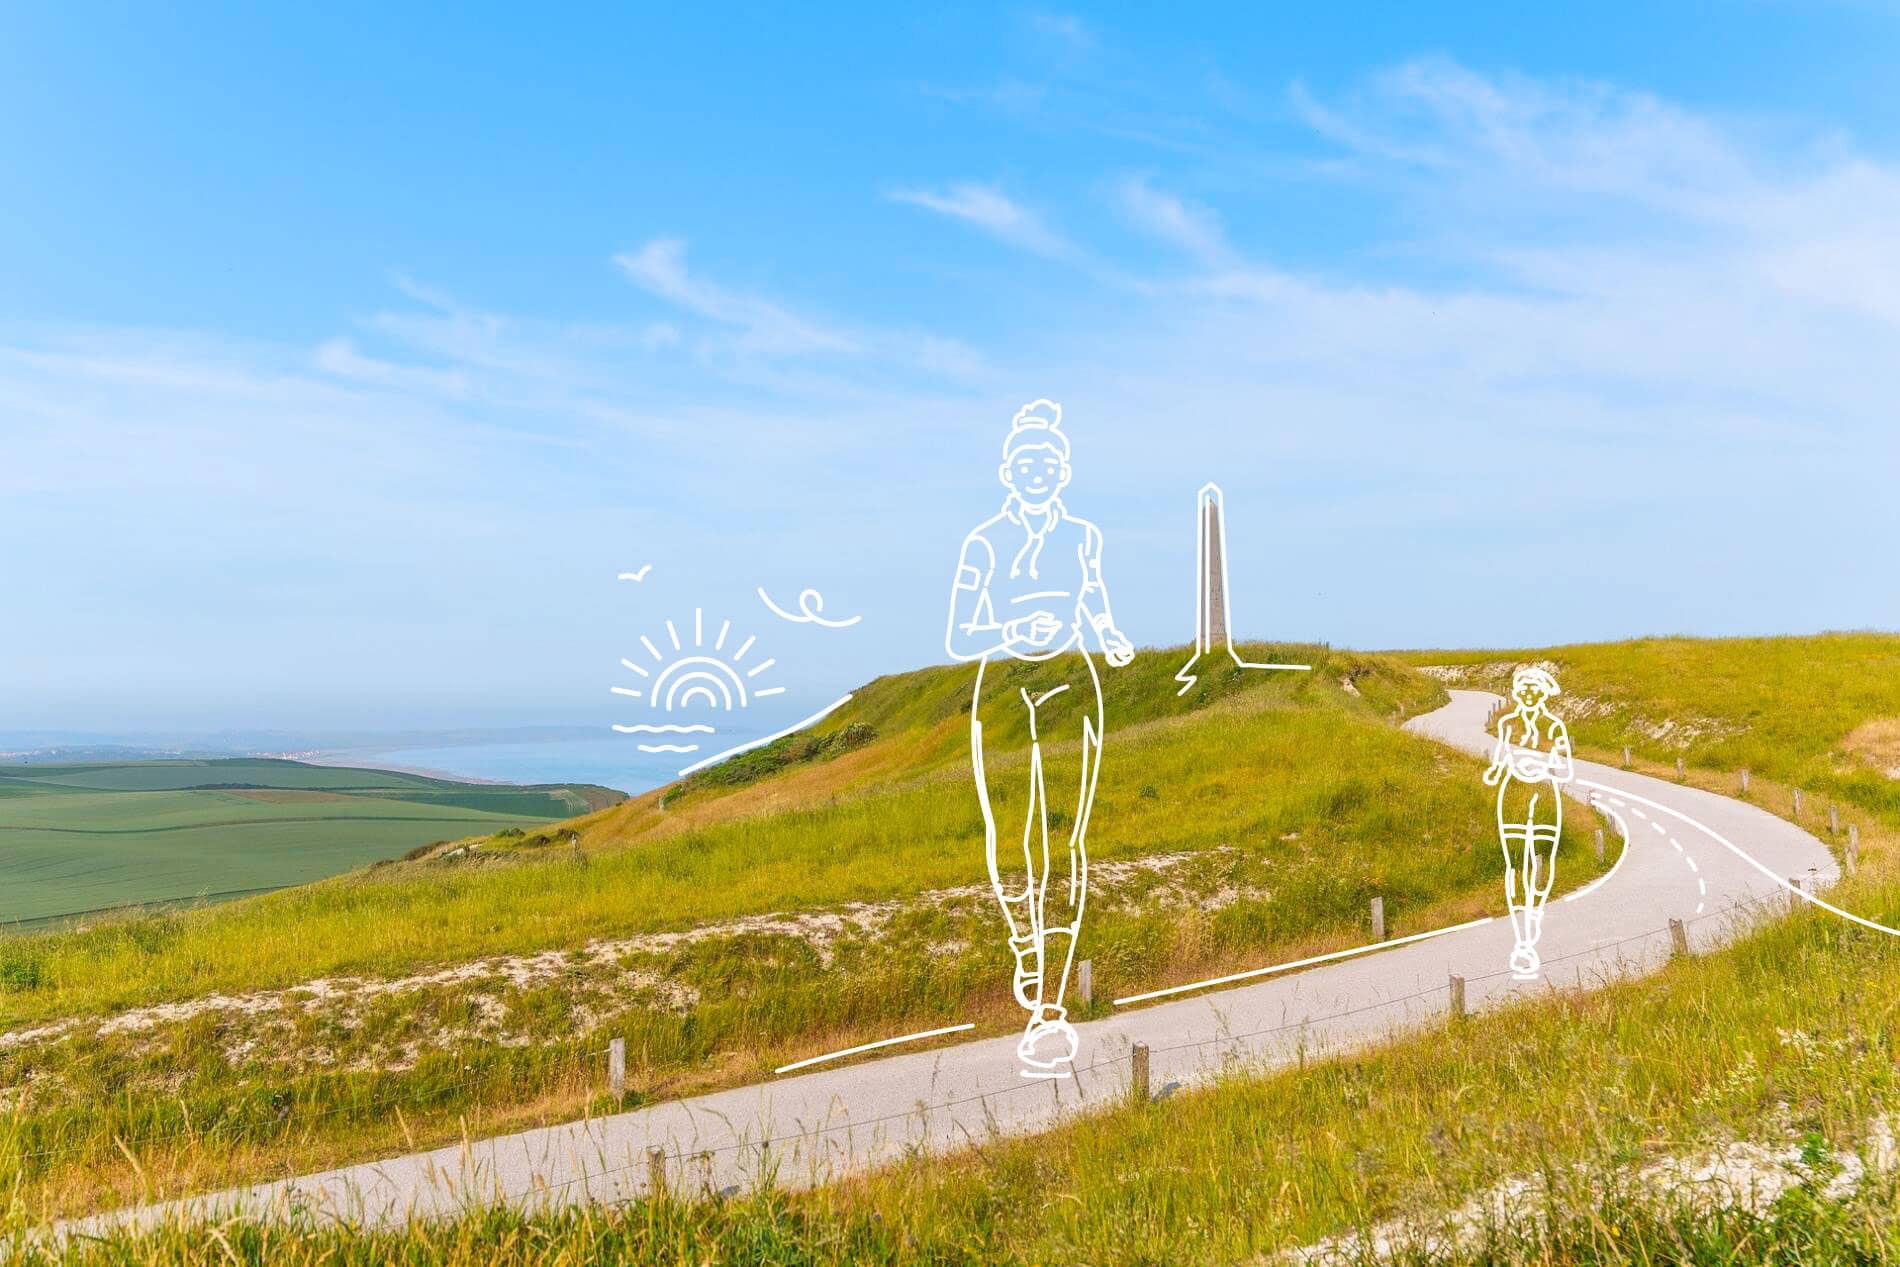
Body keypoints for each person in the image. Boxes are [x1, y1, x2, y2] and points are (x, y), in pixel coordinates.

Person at [945, 399, 1135, 1076]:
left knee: (1066, 836)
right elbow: (957, 633)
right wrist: (1012, 626)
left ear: (1060, 471)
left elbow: (1096, 603)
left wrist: (1109, 638)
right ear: (1008, 470)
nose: (1035, 471)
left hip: (1068, 681)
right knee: (1007, 837)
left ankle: (1052, 995)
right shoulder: (984, 543)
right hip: (1002, 683)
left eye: (1046, 463)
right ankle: (1024, 938)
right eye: (1024, 462)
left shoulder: (1083, 535)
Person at [1483, 666, 1574, 979]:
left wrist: (1544, 765)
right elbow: (1497, 764)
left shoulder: (1554, 727)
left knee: (1541, 864)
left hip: (1543, 793)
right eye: (1524, 690)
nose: (1529, 696)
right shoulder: (1508, 725)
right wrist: (1501, 769)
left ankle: (1534, 914)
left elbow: (1564, 770)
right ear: (1517, 693)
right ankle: (1521, 937)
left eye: (1535, 690)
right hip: (1514, 793)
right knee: (1514, 864)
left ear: (1544, 694)